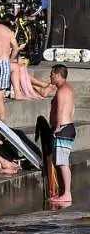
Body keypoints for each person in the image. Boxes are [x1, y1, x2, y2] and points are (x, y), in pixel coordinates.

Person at [49, 65, 75, 204]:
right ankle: (64, 193)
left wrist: (57, 127)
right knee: (61, 162)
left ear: (58, 75)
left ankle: (67, 194)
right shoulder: (69, 89)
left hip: (63, 129)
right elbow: (73, 110)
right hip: (68, 127)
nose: (50, 77)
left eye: (52, 74)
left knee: (63, 163)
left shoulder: (62, 91)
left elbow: (60, 110)